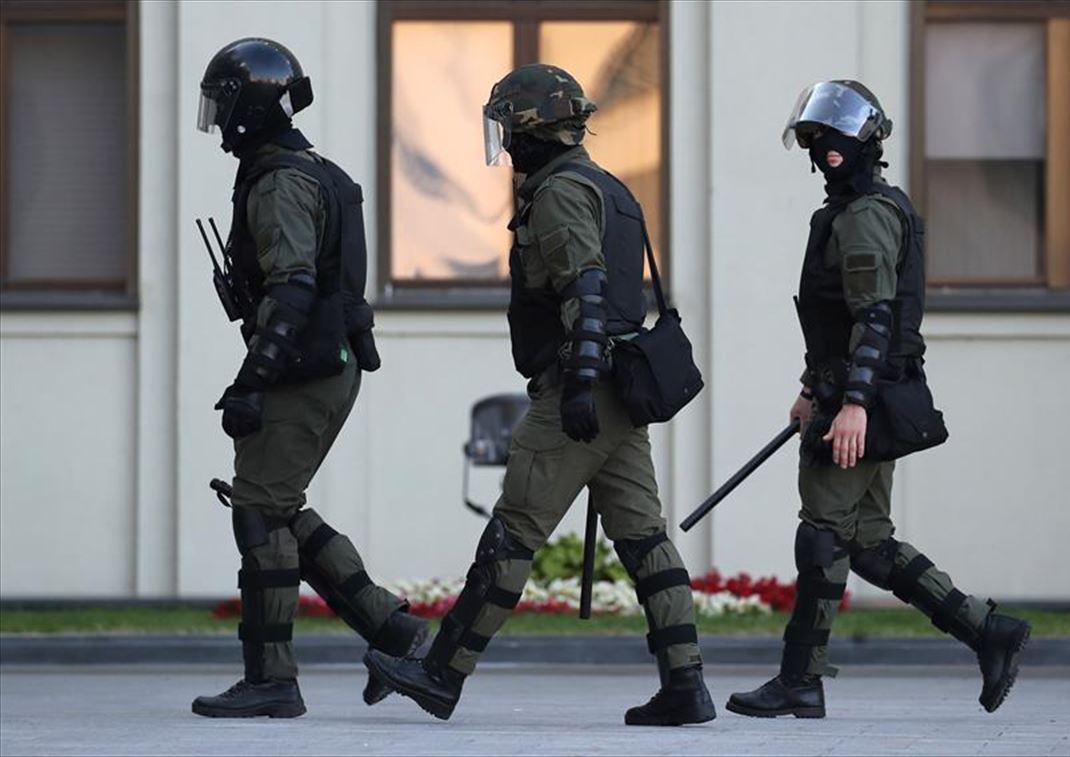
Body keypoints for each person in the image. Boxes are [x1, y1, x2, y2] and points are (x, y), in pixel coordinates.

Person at [363, 64, 715, 728]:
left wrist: (578, 384)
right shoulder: (610, 188)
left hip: (579, 393)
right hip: (621, 394)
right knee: (644, 538)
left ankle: (442, 673)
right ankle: (686, 682)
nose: (505, 144)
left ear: (531, 128)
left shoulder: (556, 192)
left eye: (508, 126)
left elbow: (584, 290)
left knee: (513, 531)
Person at [726, 80, 1031, 719]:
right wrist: (813, 388)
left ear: (865, 140)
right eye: (816, 139)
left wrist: (853, 404)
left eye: (835, 138)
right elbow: (843, 320)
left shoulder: (865, 214)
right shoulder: (858, 210)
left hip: (862, 402)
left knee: (822, 535)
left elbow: (876, 317)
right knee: (865, 541)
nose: (825, 149)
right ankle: (987, 631)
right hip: (857, 393)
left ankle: (799, 682)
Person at [190, 37, 426, 718]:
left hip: (301, 369)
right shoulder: (313, 169)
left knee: (259, 511)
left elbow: (291, 290)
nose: (218, 122)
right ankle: (393, 628)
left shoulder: (279, 181)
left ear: (251, 107)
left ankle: (272, 679)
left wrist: (250, 381)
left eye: (224, 105)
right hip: (328, 363)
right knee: (280, 503)